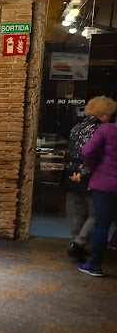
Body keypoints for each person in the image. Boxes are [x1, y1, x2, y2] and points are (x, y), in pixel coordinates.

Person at [79, 96, 117, 277]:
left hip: (105, 183)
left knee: (102, 225)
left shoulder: (105, 130)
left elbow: (87, 151)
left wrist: (91, 165)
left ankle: (94, 265)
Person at [65, 107, 101, 261]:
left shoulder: (76, 127)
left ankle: (75, 243)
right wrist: (85, 171)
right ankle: (79, 243)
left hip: (71, 170)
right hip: (88, 172)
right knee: (95, 212)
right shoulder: (100, 129)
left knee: (75, 211)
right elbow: (92, 154)